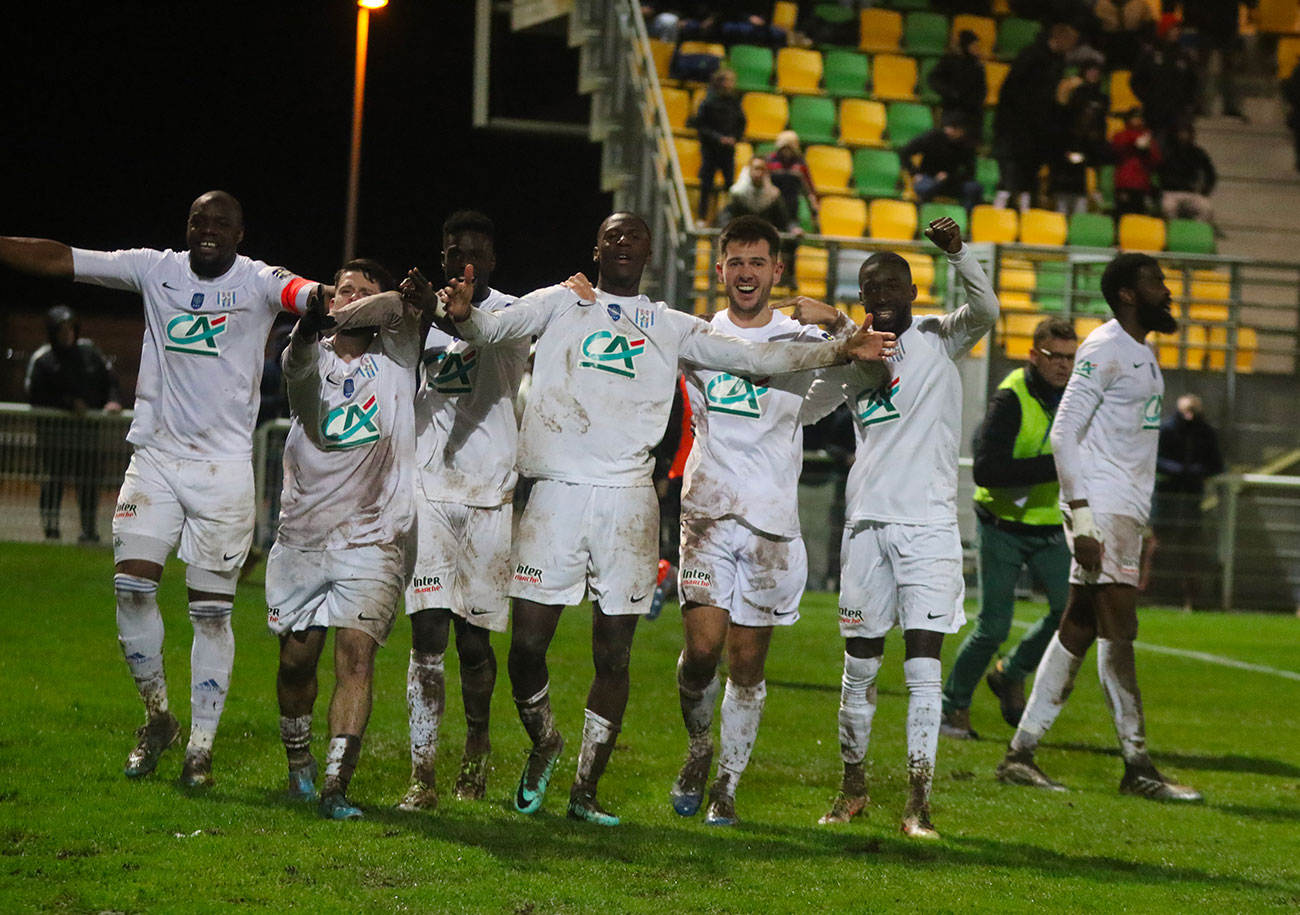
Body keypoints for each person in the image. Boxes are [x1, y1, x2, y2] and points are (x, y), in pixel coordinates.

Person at [435, 211, 896, 827]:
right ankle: (545, 737)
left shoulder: (673, 326)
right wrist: (463, 313)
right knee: (524, 647)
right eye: (613, 234)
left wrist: (842, 342)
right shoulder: (558, 301)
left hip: (629, 499)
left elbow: (758, 358)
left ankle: (587, 789)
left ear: (649, 252)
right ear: (596, 246)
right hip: (556, 493)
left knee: (616, 657)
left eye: (635, 236)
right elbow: (492, 327)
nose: (624, 242)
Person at [0, 191, 320, 787]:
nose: (208, 229)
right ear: (187, 225)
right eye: (199, 219)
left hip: (223, 469)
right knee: (130, 587)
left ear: (240, 233)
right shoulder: (155, 268)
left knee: (210, 614)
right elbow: (66, 259)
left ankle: (201, 750)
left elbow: (304, 294)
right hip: (156, 458)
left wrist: (332, 300)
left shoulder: (256, 281)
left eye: (221, 222)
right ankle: (158, 719)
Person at [671, 215, 885, 827]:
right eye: (736, 262)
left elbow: (868, 372)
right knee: (703, 652)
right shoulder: (696, 336)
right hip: (707, 516)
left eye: (757, 262)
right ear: (721, 271)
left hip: (771, 525)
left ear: (777, 271)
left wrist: (841, 323)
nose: (746, 273)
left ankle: (727, 788)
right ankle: (698, 749)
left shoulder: (800, 335)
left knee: (746, 665)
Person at [801, 217, 1001, 839]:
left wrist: (958, 254)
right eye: (871, 287)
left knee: (923, 671)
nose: (882, 293)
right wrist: (832, 342)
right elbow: (804, 411)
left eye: (893, 283)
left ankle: (918, 801)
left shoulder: (942, 337)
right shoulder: (854, 359)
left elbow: (988, 307)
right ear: (861, 298)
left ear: (913, 291)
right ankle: (852, 787)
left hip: (930, 530)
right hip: (866, 527)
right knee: (858, 666)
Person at [996, 252, 1202, 802]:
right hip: (1101, 511)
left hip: (1122, 510)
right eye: (1157, 282)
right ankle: (1138, 765)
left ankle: (1019, 753)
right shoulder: (1105, 348)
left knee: (1080, 625)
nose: (1167, 291)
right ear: (1129, 295)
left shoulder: (1142, 351)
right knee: (1120, 628)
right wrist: (1083, 517)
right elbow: (1065, 433)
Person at [268, 260, 421, 819]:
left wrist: (349, 302)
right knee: (295, 663)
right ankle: (297, 764)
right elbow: (300, 360)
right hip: (304, 532)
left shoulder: (399, 357)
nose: (349, 295)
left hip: (375, 534)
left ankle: (336, 785)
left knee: (355, 657)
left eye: (361, 289)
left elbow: (402, 311)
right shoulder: (305, 350)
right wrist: (315, 320)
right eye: (341, 288)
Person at [396, 211, 529, 811]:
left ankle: (477, 738)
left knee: (473, 641)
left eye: (475, 254)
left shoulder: (512, 313)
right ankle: (421, 775)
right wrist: (414, 315)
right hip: (429, 490)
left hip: (488, 494)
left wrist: (451, 313)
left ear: (492, 263)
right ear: (442, 256)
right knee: (427, 632)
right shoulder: (420, 321)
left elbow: (482, 335)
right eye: (454, 254)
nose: (463, 264)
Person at [940, 318, 1078, 740]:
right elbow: (987, 470)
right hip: (1001, 526)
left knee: (1069, 614)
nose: (1065, 366)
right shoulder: (1011, 398)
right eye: (1056, 357)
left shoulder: (1076, 396)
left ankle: (1010, 672)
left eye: (1072, 358)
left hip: (1050, 526)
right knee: (994, 626)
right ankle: (953, 708)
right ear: (1034, 356)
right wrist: (1057, 464)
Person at [24, 305, 123, 542]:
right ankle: (51, 532)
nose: (67, 334)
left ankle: (89, 532)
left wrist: (112, 401)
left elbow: (110, 382)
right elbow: (33, 393)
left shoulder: (89, 352)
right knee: (54, 480)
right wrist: (67, 403)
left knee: (89, 482)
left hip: (87, 434)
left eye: (70, 329)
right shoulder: (43, 360)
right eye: (61, 330)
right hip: (54, 436)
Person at [994, 22, 1080, 210]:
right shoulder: (1031, 55)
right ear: (1060, 38)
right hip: (1015, 126)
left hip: (1037, 129)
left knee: (1029, 178)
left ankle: (1025, 216)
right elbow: (1014, 90)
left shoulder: (1058, 61)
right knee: (1010, 176)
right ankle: (998, 216)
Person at [1154, 393, 1224, 610]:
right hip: (1167, 495)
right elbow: (1153, 458)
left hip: (1192, 497)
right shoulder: (1167, 430)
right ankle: (1147, 592)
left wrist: (1194, 472)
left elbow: (1216, 463)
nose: (1189, 415)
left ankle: (1191, 597)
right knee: (1157, 544)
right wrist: (1177, 470)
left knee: (1190, 548)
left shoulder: (1205, 433)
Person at [689, 68, 746, 223]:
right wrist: (718, 138)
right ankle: (702, 217)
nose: (731, 84)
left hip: (728, 150)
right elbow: (700, 125)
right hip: (711, 150)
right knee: (706, 185)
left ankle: (730, 217)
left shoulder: (735, 103)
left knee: (730, 186)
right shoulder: (708, 102)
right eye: (728, 80)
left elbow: (741, 123)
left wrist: (734, 138)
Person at [1131, 15, 1198, 147]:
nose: (1177, 32)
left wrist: (1188, 103)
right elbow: (1137, 80)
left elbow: (1192, 82)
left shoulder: (1183, 56)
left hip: (1177, 113)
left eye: (1178, 29)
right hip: (1154, 113)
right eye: (1173, 28)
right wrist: (1148, 97)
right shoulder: (1150, 54)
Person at [898, 112, 983, 212]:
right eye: (950, 127)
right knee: (924, 188)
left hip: (952, 182)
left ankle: (966, 217)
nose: (951, 131)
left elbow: (969, 172)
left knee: (974, 188)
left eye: (956, 129)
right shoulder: (931, 138)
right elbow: (905, 152)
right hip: (929, 177)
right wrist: (915, 173)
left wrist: (949, 177)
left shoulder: (967, 145)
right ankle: (924, 214)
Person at [1182, 0, 1249, 119]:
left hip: (1226, 26)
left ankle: (1230, 106)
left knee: (1228, 71)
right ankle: (1199, 104)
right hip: (1208, 25)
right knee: (1203, 70)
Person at [927, 30, 988, 141]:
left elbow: (982, 90)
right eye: (973, 46)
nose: (976, 49)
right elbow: (934, 79)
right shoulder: (950, 61)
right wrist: (951, 93)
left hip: (972, 114)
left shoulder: (978, 66)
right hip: (952, 110)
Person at [1158, 123, 1218, 227]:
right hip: (1170, 192)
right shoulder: (1167, 152)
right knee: (1167, 208)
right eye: (1181, 133)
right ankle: (1175, 230)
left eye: (1187, 133)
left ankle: (1195, 231)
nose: (1184, 136)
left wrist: (1205, 191)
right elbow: (1156, 171)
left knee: (1206, 208)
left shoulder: (1197, 153)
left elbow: (1210, 173)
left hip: (1191, 192)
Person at [1111, 108, 1161, 217]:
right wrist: (1136, 140)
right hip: (1125, 183)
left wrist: (1147, 148)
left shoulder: (1149, 138)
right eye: (1135, 117)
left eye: (1140, 118)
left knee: (1140, 216)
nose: (1138, 120)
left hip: (1142, 184)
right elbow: (1117, 147)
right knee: (1123, 215)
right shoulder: (1121, 135)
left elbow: (1156, 160)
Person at [767, 131, 819, 229]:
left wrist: (812, 202)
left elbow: (808, 186)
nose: (786, 152)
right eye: (784, 148)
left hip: (791, 204)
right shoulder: (770, 161)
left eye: (789, 148)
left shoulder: (800, 164)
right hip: (773, 202)